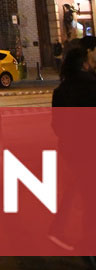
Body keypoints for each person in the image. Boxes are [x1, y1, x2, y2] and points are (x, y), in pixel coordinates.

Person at [48, 38, 96, 251]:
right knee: (88, 194)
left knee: (80, 187)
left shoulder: (60, 91)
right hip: (89, 146)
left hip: (71, 148)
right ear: (84, 63)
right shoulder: (92, 83)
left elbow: (57, 126)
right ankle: (87, 241)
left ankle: (58, 229)